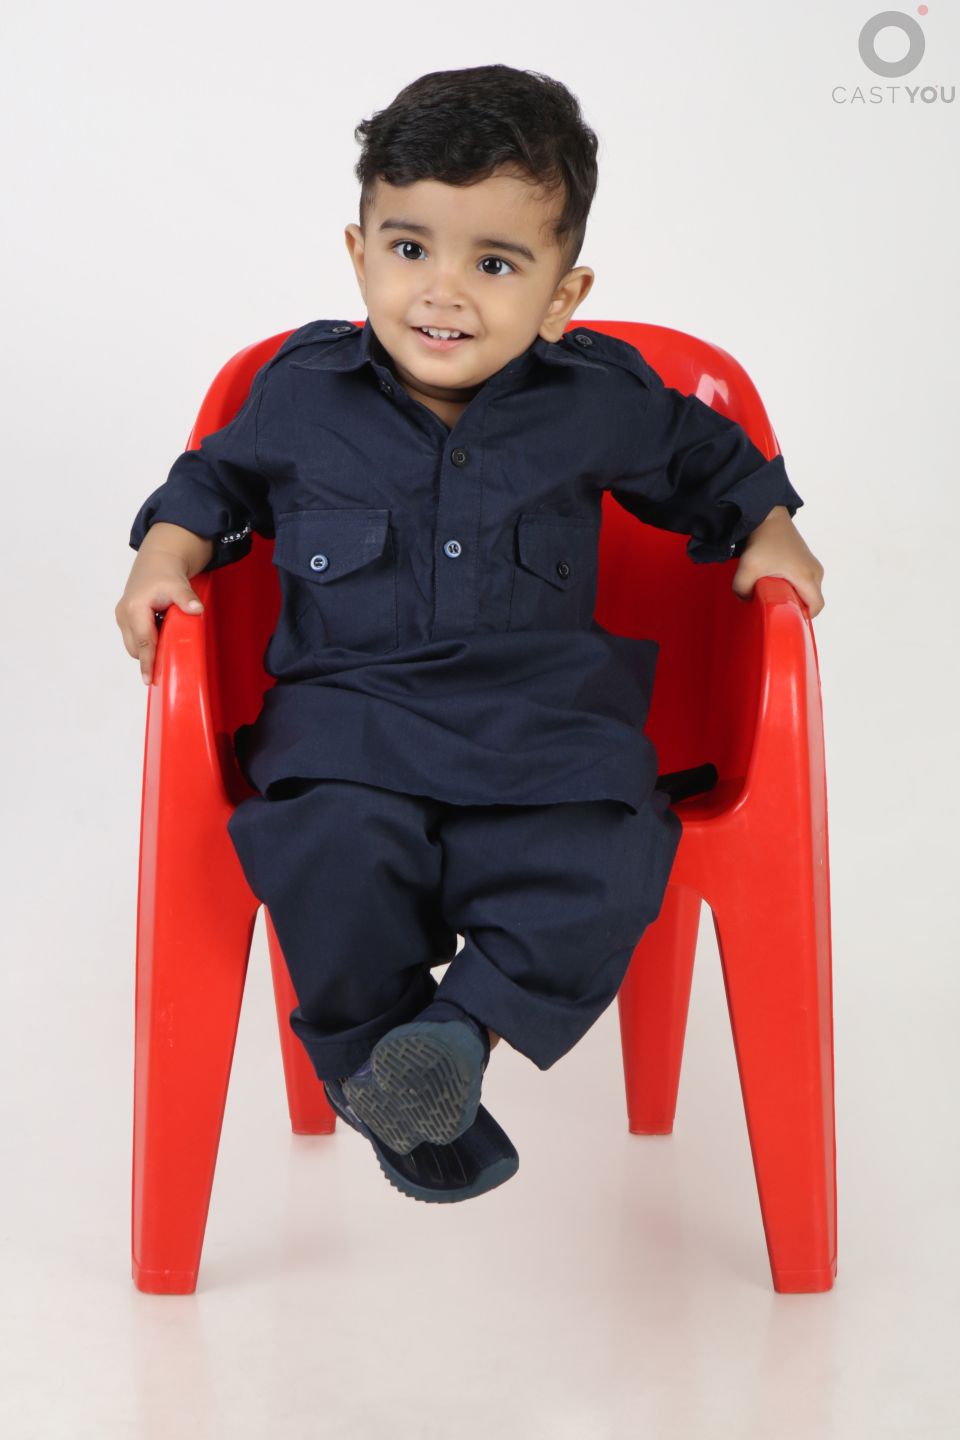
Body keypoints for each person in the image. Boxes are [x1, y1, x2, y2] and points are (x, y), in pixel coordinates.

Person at [115, 65, 825, 1207]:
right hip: (349, 730)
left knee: (611, 851)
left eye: (493, 264)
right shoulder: (301, 393)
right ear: (359, 255)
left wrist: (770, 529)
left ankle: (457, 1036)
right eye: (410, 250)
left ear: (560, 295)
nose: (442, 293)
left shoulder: (596, 398)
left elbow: (706, 457)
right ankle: (389, 1063)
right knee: (327, 853)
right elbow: (213, 479)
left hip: (543, 732)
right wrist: (167, 553)